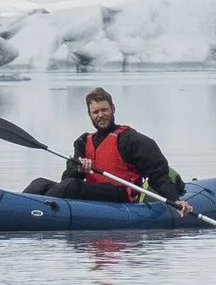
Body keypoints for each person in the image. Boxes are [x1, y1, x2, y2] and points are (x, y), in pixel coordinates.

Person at [25, 88, 190, 214]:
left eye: (104, 110)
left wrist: (175, 201)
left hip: (121, 195)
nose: (100, 115)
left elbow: (158, 175)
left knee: (71, 186)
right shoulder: (83, 142)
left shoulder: (131, 139)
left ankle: (32, 212)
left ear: (113, 109)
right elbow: (67, 178)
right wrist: (79, 170)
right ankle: (17, 206)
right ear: (89, 114)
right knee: (40, 183)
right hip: (92, 192)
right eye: (95, 112)